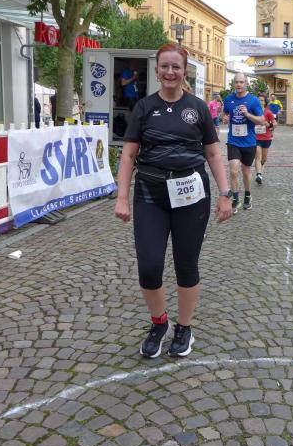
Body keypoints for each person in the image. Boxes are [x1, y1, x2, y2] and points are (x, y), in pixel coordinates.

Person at [114, 43, 232, 359]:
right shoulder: (144, 108)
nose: (170, 72)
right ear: (156, 70)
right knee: (149, 266)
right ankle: (159, 323)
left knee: (186, 263)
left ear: (184, 71)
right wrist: (122, 197)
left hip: (191, 196)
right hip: (150, 195)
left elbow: (212, 154)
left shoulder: (198, 108)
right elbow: (128, 156)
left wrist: (225, 194)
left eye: (176, 67)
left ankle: (184, 327)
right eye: (164, 66)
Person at [223, 73, 265, 213]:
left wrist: (247, 114)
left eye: (241, 82)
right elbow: (225, 114)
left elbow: (261, 120)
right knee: (233, 171)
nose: (239, 84)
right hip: (233, 141)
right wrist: (225, 118)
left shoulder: (253, 101)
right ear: (234, 83)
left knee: (246, 171)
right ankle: (235, 199)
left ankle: (248, 196)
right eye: (236, 82)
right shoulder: (228, 99)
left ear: (246, 84)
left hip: (249, 142)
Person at [254, 98, 276, 185]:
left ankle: (260, 170)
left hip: (266, 138)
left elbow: (275, 123)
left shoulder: (268, 112)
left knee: (264, 159)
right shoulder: (253, 112)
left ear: (265, 102)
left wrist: (270, 125)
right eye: (259, 100)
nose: (260, 102)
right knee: (258, 157)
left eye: (262, 100)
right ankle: (258, 175)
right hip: (255, 138)